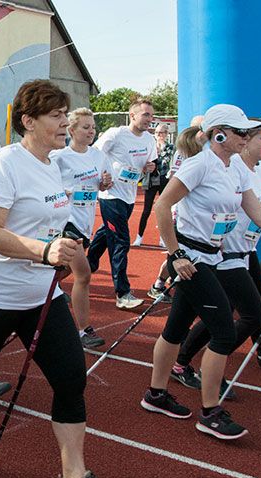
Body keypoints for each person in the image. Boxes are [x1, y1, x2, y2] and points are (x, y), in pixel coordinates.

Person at [0, 80, 129, 478]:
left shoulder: (52, 164)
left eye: (66, 114)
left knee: (69, 378)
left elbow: (46, 220)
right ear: (28, 121)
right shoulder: (5, 163)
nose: (66, 122)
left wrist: (59, 248)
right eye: (56, 116)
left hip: (41, 294)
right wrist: (44, 251)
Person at [141, 104, 261, 440]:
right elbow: (163, 205)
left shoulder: (235, 167)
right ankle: (210, 412)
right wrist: (175, 255)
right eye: (242, 133)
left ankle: (155, 394)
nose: (247, 138)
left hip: (213, 257)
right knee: (222, 329)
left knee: (176, 328)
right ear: (219, 134)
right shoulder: (199, 165)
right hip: (192, 260)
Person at [170, 120, 261, 390]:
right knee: (239, 316)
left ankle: (185, 363)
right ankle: (196, 368)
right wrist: (176, 252)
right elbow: (169, 205)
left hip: (245, 252)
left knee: (222, 315)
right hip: (222, 255)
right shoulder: (224, 168)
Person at [51, 108, 113, 349]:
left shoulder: (98, 156)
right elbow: (46, 185)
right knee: (84, 275)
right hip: (66, 221)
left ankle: (29, 298)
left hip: (86, 221)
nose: (91, 131)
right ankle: (84, 330)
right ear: (72, 129)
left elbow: (106, 183)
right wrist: (63, 191)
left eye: (93, 127)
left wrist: (105, 182)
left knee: (59, 272)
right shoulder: (60, 157)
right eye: (85, 127)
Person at [86, 98, 157, 309]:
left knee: (104, 234)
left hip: (128, 196)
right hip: (111, 196)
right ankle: (122, 293)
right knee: (120, 241)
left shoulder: (149, 140)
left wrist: (149, 167)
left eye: (151, 116)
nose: (149, 119)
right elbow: (94, 153)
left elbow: (148, 164)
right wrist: (102, 175)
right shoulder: (116, 134)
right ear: (132, 115)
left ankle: (85, 266)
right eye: (145, 115)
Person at [147, 125, 204, 302]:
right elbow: (172, 183)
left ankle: (164, 284)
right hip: (180, 210)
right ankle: (159, 284)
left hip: (186, 211)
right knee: (176, 251)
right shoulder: (188, 158)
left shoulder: (199, 158)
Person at [134, 123, 174, 247]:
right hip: (152, 180)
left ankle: (163, 238)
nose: (159, 135)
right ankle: (139, 237)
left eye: (161, 133)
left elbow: (167, 162)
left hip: (164, 180)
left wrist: (160, 149)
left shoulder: (170, 147)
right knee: (146, 210)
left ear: (167, 134)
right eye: (157, 133)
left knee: (164, 210)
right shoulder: (150, 146)